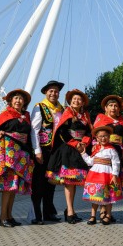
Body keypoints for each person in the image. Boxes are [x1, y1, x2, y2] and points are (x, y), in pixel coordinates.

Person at [0, 89, 34, 227]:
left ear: (24, 102)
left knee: (13, 186)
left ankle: (9, 215)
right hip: (7, 152)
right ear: (11, 101)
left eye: (21, 99)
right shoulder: (5, 114)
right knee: (8, 185)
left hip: (21, 154)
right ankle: (3, 216)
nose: (18, 101)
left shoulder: (26, 116)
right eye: (16, 98)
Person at [46, 89, 92, 223]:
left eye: (79, 99)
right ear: (70, 101)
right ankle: (70, 211)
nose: (76, 101)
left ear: (82, 102)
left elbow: (89, 132)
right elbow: (62, 132)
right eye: (74, 99)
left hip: (81, 149)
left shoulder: (86, 116)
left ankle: (70, 209)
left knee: (75, 182)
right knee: (69, 182)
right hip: (69, 149)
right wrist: (74, 143)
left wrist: (84, 142)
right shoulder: (67, 113)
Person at [29, 80, 64, 225]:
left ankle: (49, 212)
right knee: (38, 183)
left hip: (55, 151)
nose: (53, 93)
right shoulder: (39, 107)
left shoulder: (61, 109)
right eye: (51, 91)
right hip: (43, 149)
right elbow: (34, 130)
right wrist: (37, 151)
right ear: (45, 92)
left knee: (51, 182)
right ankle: (36, 215)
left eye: (56, 91)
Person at [93, 94, 123, 222]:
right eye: (111, 106)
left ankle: (108, 211)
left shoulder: (122, 122)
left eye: (115, 106)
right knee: (102, 181)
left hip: (117, 153)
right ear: (106, 108)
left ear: (119, 108)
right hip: (103, 153)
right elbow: (94, 136)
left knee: (113, 181)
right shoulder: (100, 119)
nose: (113, 108)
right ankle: (102, 209)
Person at [80, 125, 123, 225]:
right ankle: (93, 215)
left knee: (108, 197)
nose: (103, 138)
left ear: (109, 137)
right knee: (95, 196)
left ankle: (108, 215)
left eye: (105, 136)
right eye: (100, 136)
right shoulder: (96, 150)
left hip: (107, 175)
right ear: (97, 138)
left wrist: (115, 175)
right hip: (94, 175)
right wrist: (83, 153)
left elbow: (116, 162)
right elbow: (90, 162)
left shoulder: (112, 150)